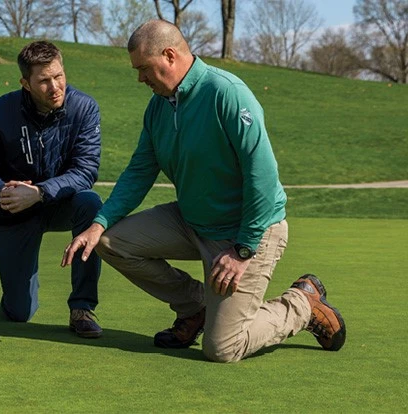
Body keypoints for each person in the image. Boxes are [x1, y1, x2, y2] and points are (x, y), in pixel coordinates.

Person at [63, 20, 346, 361]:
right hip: (192, 221)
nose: (140, 79)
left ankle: (303, 304)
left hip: (249, 232)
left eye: (143, 69)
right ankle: (195, 306)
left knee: (223, 348)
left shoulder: (226, 92)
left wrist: (243, 250)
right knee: (109, 242)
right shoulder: (158, 107)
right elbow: (139, 172)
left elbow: (263, 176)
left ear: (169, 55)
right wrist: (99, 223)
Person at [0, 41, 104, 338]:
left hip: (61, 203)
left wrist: (41, 192)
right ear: (25, 83)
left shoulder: (84, 108)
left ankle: (82, 308)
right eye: (44, 81)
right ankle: (17, 294)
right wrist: (2, 192)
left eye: (59, 76)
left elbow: (86, 171)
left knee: (91, 204)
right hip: (14, 209)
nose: (54, 86)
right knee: (20, 312)